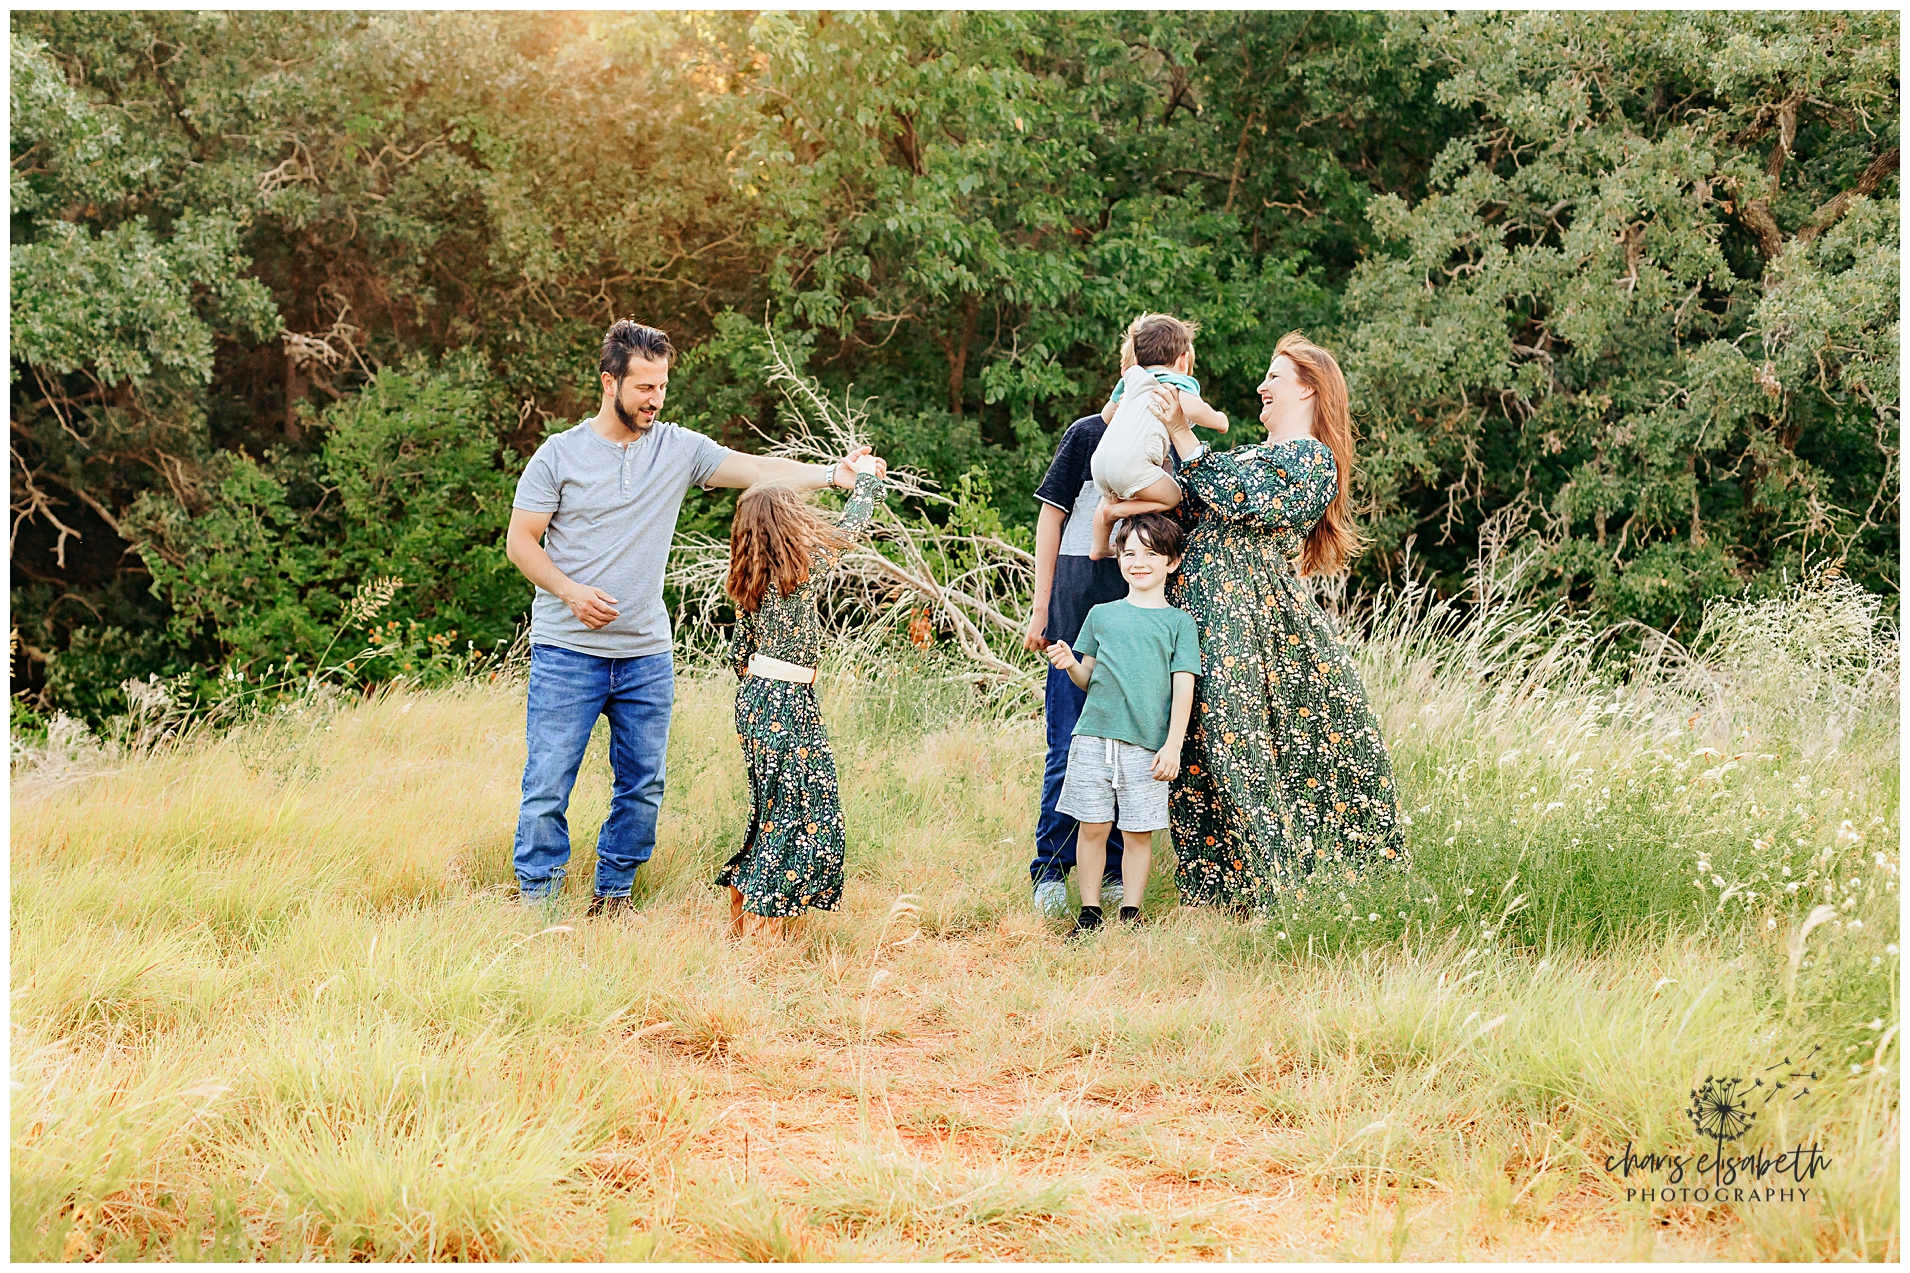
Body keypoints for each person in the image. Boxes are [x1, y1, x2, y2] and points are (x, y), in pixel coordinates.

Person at [505, 319, 884, 915]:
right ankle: (539, 901)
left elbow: (756, 470)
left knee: (643, 786)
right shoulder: (560, 455)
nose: (655, 400)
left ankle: (615, 894)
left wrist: (834, 475)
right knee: (549, 783)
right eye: (643, 388)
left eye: (661, 387)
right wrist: (571, 592)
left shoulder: (677, 448)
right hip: (567, 650)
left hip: (645, 654)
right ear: (609, 383)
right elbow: (521, 542)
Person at [1161, 331, 1403, 911]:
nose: (1262, 386)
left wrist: (1185, 434)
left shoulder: (1310, 458)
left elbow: (1251, 499)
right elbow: (1196, 496)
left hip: (1243, 618)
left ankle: (1277, 889)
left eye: (1275, 377)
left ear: (1309, 391)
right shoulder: (1248, 454)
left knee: (1237, 744)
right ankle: (1219, 893)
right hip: (1197, 611)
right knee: (1195, 745)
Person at [718, 457, 886, 941]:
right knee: (807, 810)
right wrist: (868, 477)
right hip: (785, 699)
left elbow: (740, 652)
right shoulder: (800, 575)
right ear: (787, 528)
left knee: (774, 807)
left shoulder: (751, 582)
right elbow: (854, 525)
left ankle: (746, 914)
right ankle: (765, 923)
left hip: (757, 698)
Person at [1044, 512, 1201, 934]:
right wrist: (1069, 664)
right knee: (1093, 826)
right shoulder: (1102, 614)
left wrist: (1173, 746)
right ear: (1118, 559)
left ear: (1171, 561)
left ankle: (1131, 912)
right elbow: (1087, 677)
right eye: (1129, 553)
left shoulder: (1178, 623)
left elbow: (1183, 688)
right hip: (1094, 738)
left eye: (1150, 554)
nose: (1139, 562)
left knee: (1137, 832)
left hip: (1146, 746)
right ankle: (1090, 911)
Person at [1024, 406, 1134, 919]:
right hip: (1072, 616)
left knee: (1125, 751)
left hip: (1137, 629)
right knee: (1068, 749)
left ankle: (1112, 872)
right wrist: (1041, 606)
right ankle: (1050, 867)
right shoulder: (1087, 434)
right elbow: (1051, 516)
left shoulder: (1175, 445)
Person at [1087, 314, 1229, 561]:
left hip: (1100, 463)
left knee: (1107, 494)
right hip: (1134, 464)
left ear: (1137, 359)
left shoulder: (1130, 378)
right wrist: (1219, 421)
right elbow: (1195, 410)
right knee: (1173, 496)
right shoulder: (1177, 381)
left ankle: (1098, 546)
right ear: (1183, 360)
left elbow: (1106, 416)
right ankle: (1117, 511)